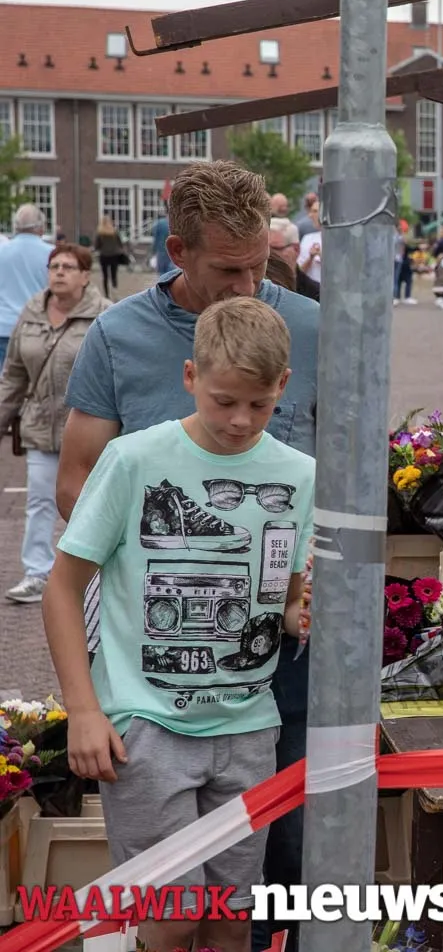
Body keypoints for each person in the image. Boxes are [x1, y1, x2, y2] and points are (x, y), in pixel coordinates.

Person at [57, 160, 319, 952]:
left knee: (278, 869)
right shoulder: (119, 335)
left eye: (261, 266)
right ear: (178, 250)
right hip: (155, 667)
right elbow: (76, 487)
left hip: (269, 670)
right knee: (171, 911)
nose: (250, 286)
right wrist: (181, 556)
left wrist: (292, 591)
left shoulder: (305, 326)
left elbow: (330, 485)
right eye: (227, 270)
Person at [0, 243, 110, 604]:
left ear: (85, 275)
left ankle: (93, 575)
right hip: (40, 425)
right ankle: (36, 573)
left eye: (67, 266)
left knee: (88, 502)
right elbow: (14, 374)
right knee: (39, 500)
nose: (59, 272)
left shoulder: (105, 316)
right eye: (53, 266)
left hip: (90, 429)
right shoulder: (30, 313)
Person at [0, 204, 53, 364]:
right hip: (37, 328)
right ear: (41, 228)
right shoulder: (53, 255)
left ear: (16, 226)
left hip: (3, 326)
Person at [269, 218, 320, 302]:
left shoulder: (316, 294)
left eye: (275, 249)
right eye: (262, 249)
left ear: (296, 249)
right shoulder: (253, 289)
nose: (267, 255)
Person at [93, 217, 125, 297]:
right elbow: (120, 243)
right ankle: (115, 292)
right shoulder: (115, 232)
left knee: (105, 276)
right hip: (114, 256)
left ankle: (107, 295)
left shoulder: (100, 233)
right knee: (114, 275)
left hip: (104, 256)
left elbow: (97, 246)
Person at [296, 201, 323, 286]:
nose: (310, 216)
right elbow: (300, 272)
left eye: (315, 211)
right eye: (310, 211)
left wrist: (322, 256)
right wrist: (310, 258)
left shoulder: (340, 240)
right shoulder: (307, 238)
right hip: (310, 292)